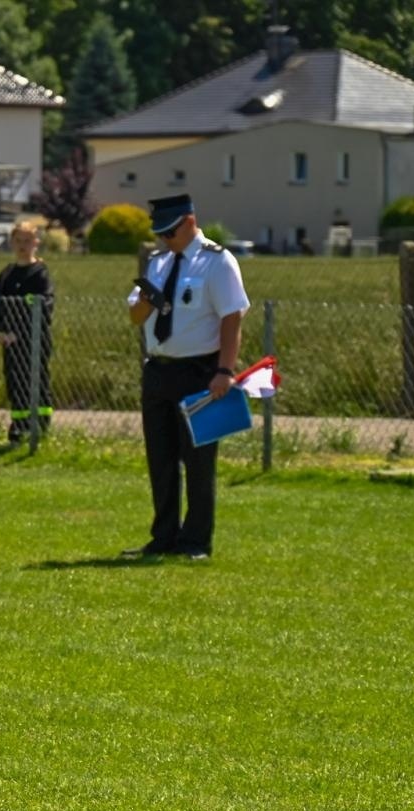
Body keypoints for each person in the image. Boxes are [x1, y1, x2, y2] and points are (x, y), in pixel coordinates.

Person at [124, 194, 250, 560]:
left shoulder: (217, 261)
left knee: (198, 463)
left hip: (200, 373)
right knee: (160, 460)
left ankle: (195, 541)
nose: (165, 239)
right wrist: (145, 301)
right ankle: (163, 537)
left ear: (190, 222)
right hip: (158, 369)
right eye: (160, 233)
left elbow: (232, 317)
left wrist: (225, 370)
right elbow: (135, 317)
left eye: (170, 232)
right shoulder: (157, 263)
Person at [0, 221, 54, 443]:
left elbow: (44, 307)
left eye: (27, 241)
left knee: (36, 381)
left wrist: (18, 331)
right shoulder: (6, 275)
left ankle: (40, 427)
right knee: (15, 382)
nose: (22, 246)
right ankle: (19, 427)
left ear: (36, 243)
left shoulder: (40, 274)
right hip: (9, 341)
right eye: (18, 241)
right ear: (11, 243)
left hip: (33, 340)